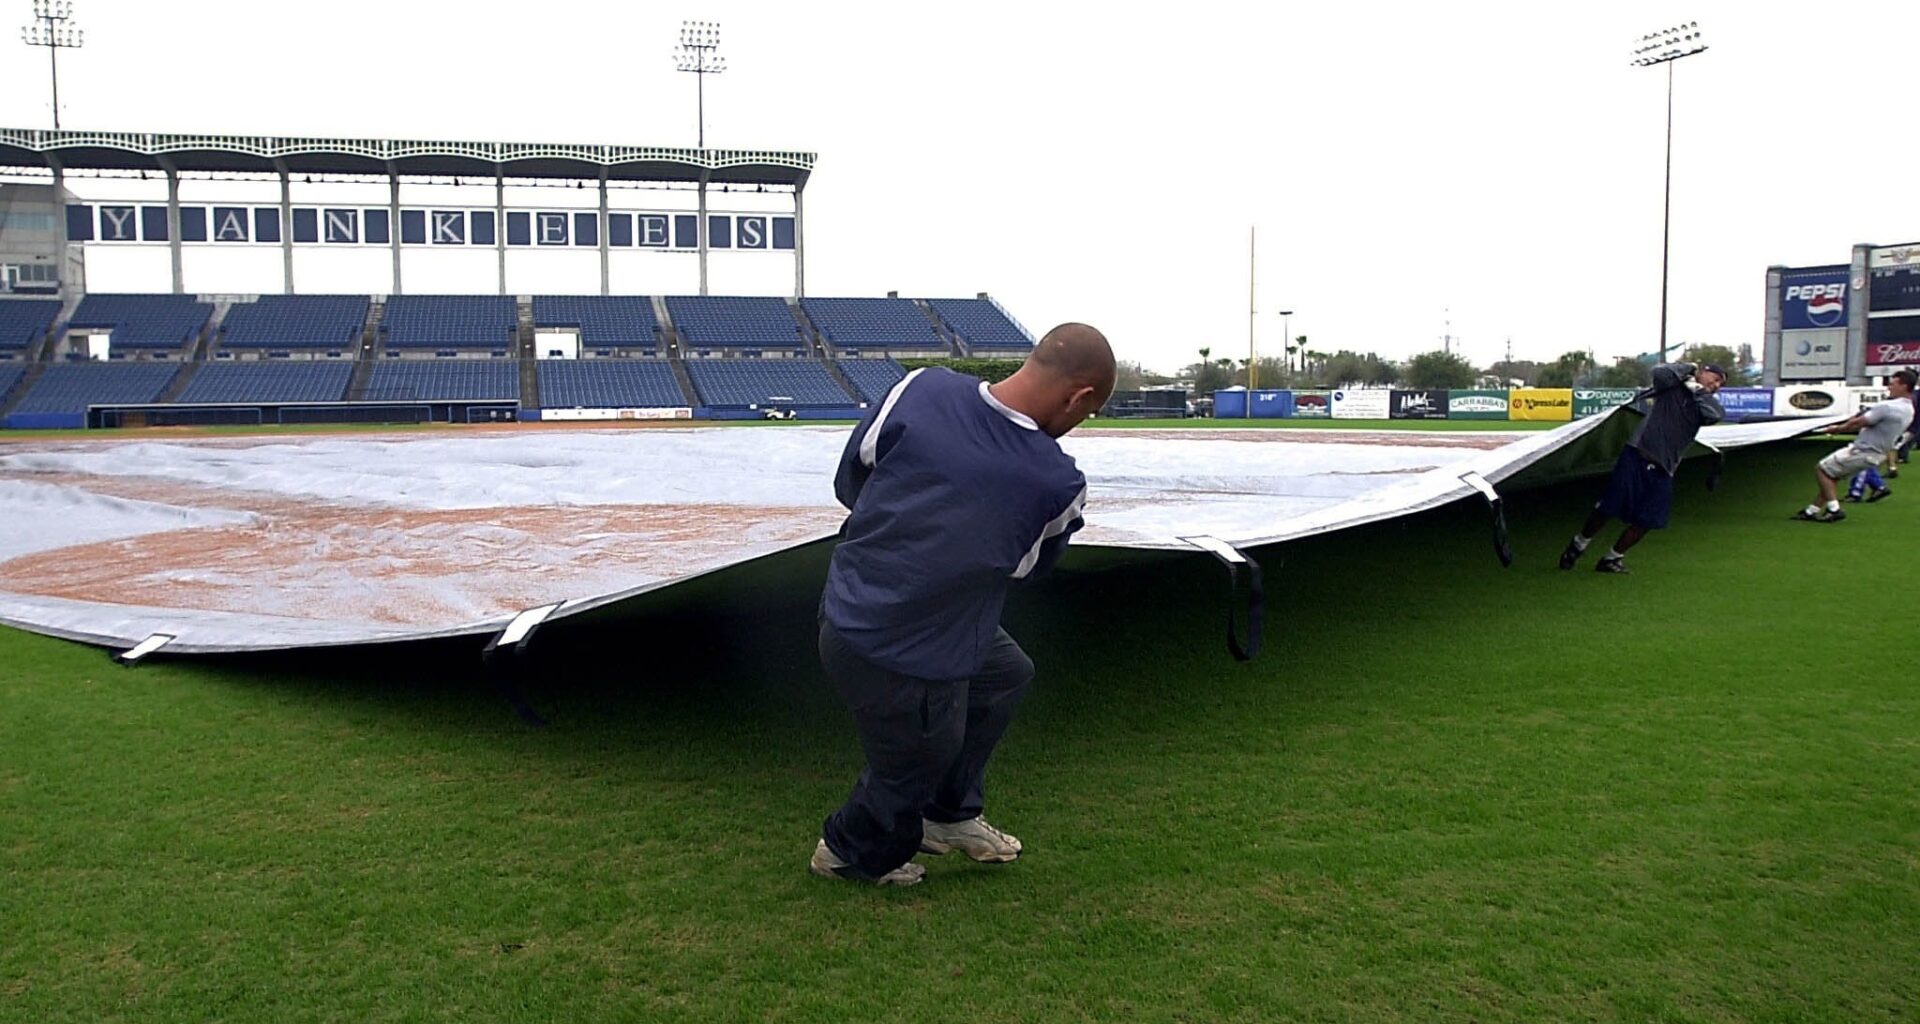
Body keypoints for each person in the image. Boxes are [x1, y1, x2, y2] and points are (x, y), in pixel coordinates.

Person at [811, 323, 1116, 887]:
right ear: (1079, 398)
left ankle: (948, 816)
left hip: (851, 608)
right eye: (1087, 413)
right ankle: (846, 852)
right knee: (914, 760)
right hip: (902, 649)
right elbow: (1029, 569)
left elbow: (852, 482)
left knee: (1004, 675)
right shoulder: (1054, 480)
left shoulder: (920, 388)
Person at [1559, 361, 1726, 574]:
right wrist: (1688, 368)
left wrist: (1697, 391)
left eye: (1721, 383)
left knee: (1649, 519)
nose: (1718, 385)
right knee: (1608, 507)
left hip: (1665, 466)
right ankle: (1578, 545)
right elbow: (1659, 372)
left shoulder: (1706, 403)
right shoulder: (1671, 386)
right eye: (1716, 378)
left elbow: (1715, 415)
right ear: (1704, 372)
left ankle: (1612, 558)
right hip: (1638, 454)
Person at [1796, 369, 1917, 523]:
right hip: (1877, 454)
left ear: (1904, 386)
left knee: (1822, 469)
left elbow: (1859, 422)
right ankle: (1811, 511)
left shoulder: (1888, 406)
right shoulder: (1909, 409)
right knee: (1831, 475)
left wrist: (1837, 429)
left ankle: (1835, 510)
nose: (1889, 387)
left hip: (1863, 450)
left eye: (1892, 384)